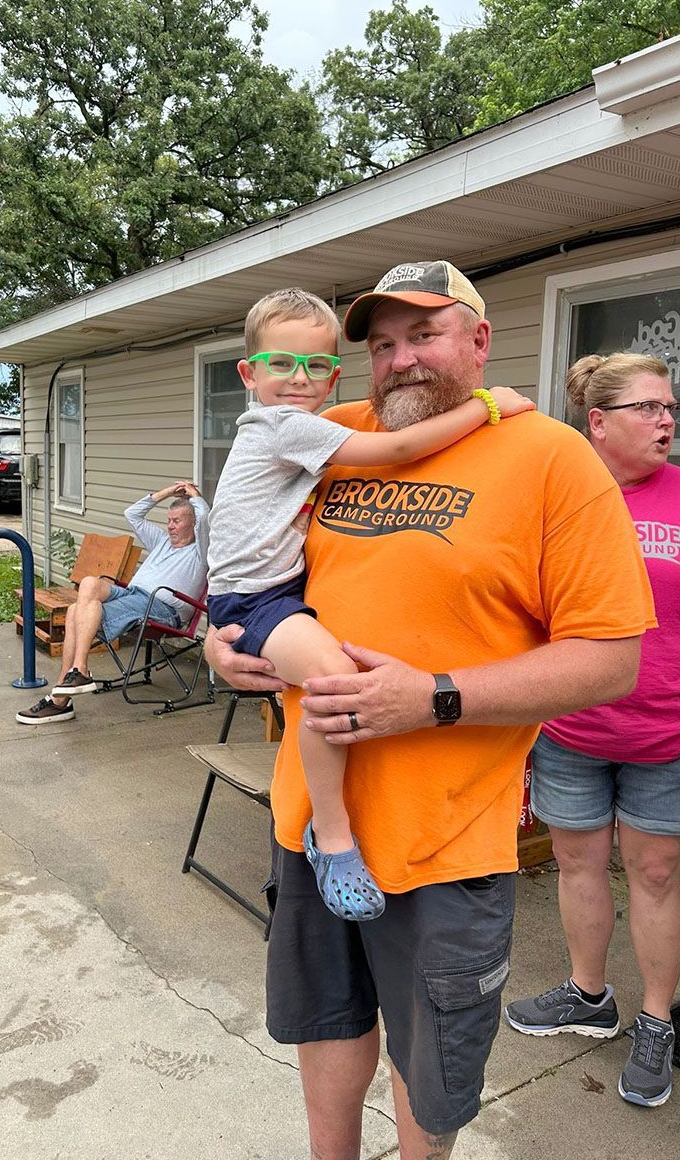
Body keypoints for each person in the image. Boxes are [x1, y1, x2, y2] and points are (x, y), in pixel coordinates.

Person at [206, 259, 657, 1160]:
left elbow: (612, 660)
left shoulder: (552, 457)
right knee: (328, 1025)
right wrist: (225, 644)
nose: (401, 359)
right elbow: (255, 557)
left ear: (480, 341)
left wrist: (435, 697)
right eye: (381, 344)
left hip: (445, 840)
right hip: (311, 818)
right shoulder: (327, 431)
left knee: (432, 1065)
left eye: (425, 335)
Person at [207, 287, 534, 922]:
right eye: (280, 364)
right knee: (334, 683)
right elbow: (398, 451)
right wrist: (492, 405)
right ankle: (332, 838)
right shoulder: (288, 427)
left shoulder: (326, 424)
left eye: (317, 367)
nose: (298, 380)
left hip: (270, 592)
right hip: (257, 597)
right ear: (248, 374)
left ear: (335, 375)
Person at [505, 352, 680, 1109]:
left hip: (675, 732)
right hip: (570, 728)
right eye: (650, 408)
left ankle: (658, 1021)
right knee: (576, 866)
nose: (668, 420)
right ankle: (588, 993)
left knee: (657, 875)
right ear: (597, 422)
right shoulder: (554, 497)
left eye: (674, 409)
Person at [16, 481, 209, 724]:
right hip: (132, 595)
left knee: (80, 611)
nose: (170, 526)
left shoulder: (201, 551)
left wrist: (194, 496)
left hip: (160, 609)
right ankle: (78, 671)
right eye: (169, 520)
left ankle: (61, 697)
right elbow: (132, 514)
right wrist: (167, 492)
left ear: (193, 523)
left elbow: (205, 518)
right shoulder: (161, 541)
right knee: (88, 585)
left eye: (177, 521)